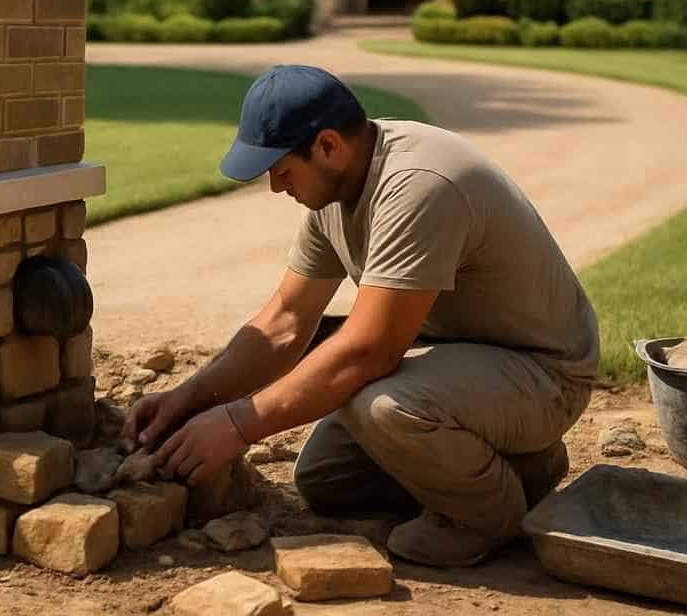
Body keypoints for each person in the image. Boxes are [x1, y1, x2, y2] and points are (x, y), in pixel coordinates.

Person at [122, 64, 599, 568]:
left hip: (546, 375)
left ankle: (487, 518)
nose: (275, 187)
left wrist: (238, 425)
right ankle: (524, 463)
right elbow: (284, 321)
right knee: (327, 479)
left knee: (382, 405)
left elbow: (371, 349)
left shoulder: (418, 186)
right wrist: (190, 398)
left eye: (282, 170)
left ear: (328, 146)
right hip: (468, 362)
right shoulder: (337, 189)